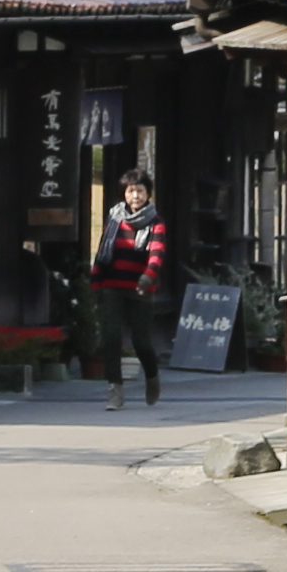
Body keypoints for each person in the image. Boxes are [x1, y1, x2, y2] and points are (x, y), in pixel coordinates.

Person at [88, 173, 174, 407]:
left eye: (140, 191)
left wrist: (148, 276)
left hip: (140, 289)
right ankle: (115, 390)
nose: (135, 196)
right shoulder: (115, 218)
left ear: (148, 194)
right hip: (112, 285)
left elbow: (157, 253)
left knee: (141, 342)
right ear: (124, 193)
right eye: (130, 191)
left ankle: (152, 377)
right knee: (111, 337)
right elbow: (103, 251)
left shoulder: (156, 222)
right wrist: (95, 281)